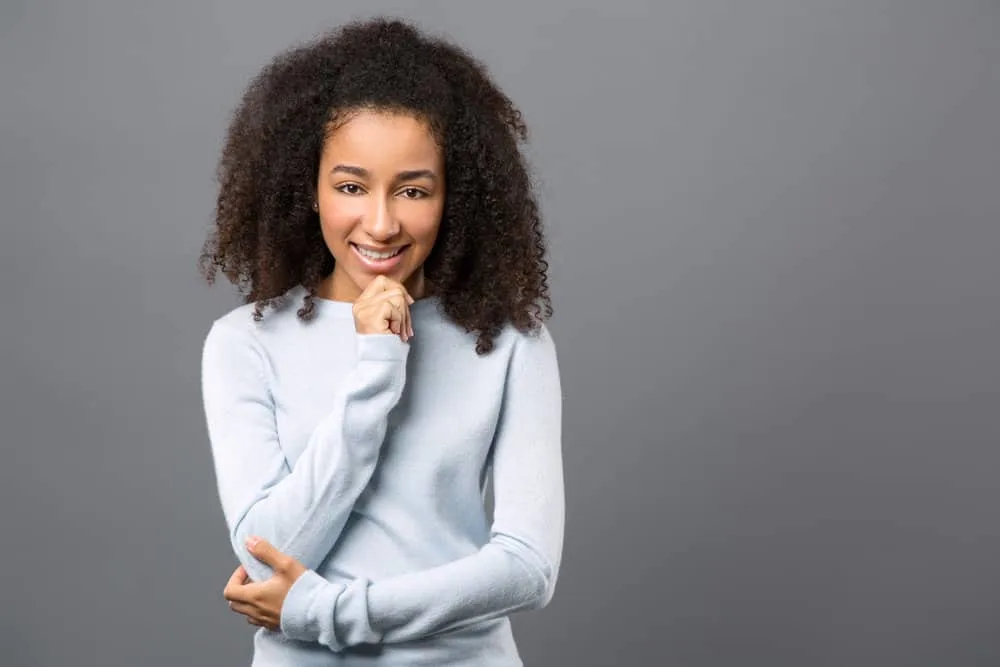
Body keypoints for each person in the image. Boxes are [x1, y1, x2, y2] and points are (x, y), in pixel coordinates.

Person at [198, 17, 564, 667]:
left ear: (454, 196)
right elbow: (269, 550)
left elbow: (528, 566)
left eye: (414, 189)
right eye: (350, 186)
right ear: (307, 189)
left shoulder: (509, 340)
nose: (381, 221)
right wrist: (377, 366)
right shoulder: (243, 344)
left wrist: (326, 612)